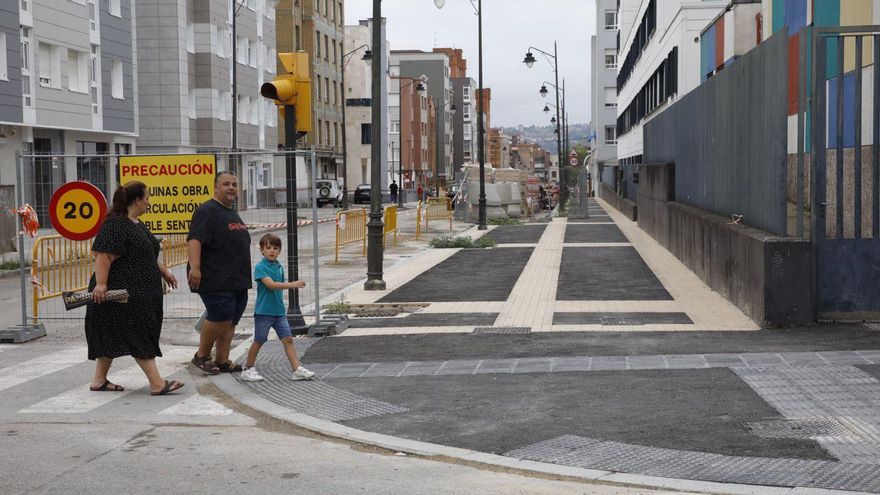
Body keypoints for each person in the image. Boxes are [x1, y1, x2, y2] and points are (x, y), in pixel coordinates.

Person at [85, 181, 184, 395]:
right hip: (122, 295)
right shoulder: (115, 224)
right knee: (139, 332)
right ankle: (157, 384)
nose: (149, 202)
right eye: (147, 198)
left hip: (137, 292)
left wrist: (163, 271)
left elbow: (146, 252)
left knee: (110, 333)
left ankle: (99, 380)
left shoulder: (135, 223)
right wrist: (101, 284)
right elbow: (103, 255)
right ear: (137, 200)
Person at [188, 171, 252, 375]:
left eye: (234, 184)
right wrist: (195, 268)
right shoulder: (207, 211)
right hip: (215, 277)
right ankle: (202, 355)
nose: (231, 187)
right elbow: (195, 239)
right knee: (220, 315)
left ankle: (222, 359)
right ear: (215, 187)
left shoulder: (231, 211)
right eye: (226, 184)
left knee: (231, 319)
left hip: (237, 279)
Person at [240, 234, 315, 382]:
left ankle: (296, 369)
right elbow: (271, 285)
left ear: (279, 250)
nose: (272, 251)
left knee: (288, 339)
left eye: (275, 248)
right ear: (261, 250)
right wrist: (292, 284)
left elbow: (277, 285)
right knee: (259, 340)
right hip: (264, 312)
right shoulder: (260, 267)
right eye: (268, 248)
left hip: (279, 312)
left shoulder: (279, 266)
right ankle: (248, 368)